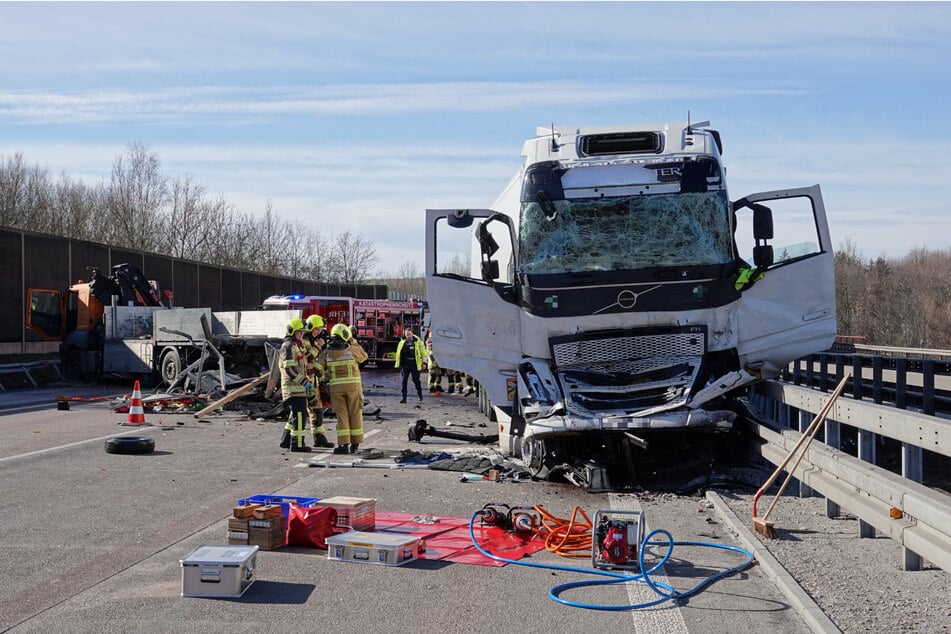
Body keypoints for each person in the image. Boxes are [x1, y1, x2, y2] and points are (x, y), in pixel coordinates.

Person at [318, 323, 369, 454]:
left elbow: (318, 368)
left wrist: (325, 377)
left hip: (336, 389)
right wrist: (355, 343)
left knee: (342, 416)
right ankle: (355, 444)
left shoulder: (327, 353)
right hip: (354, 389)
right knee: (355, 415)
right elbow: (364, 356)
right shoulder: (352, 350)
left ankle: (343, 445)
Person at [278, 317, 312, 452]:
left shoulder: (296, 345)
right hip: (293, 388)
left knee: (295, 415)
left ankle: (285, 441)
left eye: (302, 332)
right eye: (299, 332)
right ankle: (297, 444)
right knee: (299, 417)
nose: (301, 334)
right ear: (292, 331)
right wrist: (303, 381)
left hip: (298, 388)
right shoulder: (288, 346)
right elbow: (289, 369)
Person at [302, 314, 333, 448]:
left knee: (317, 411)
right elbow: (306, 359)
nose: (318, 332)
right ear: (310, 328)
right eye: (316, 329)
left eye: (320, 330)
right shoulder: (303, 341)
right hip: (303, 383)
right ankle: (291, 439)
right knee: (299, 413)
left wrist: (321, 378)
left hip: (313, 382)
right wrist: (318, 347)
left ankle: (319, 438)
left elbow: (315, 363)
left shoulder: (313, 341)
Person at [395, 327, 425, 403]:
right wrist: (399, 364)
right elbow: (399, 354)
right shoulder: (402, 342)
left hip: (414, 364)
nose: (408, 336)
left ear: (412, 334)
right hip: (405, 364)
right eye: (407, 334)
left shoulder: (418, 342)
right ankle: (404, 398)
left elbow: (424, 353)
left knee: (416, 380)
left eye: (409, 334)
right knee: (404, 380)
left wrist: (424, 363)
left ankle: (420, 394)